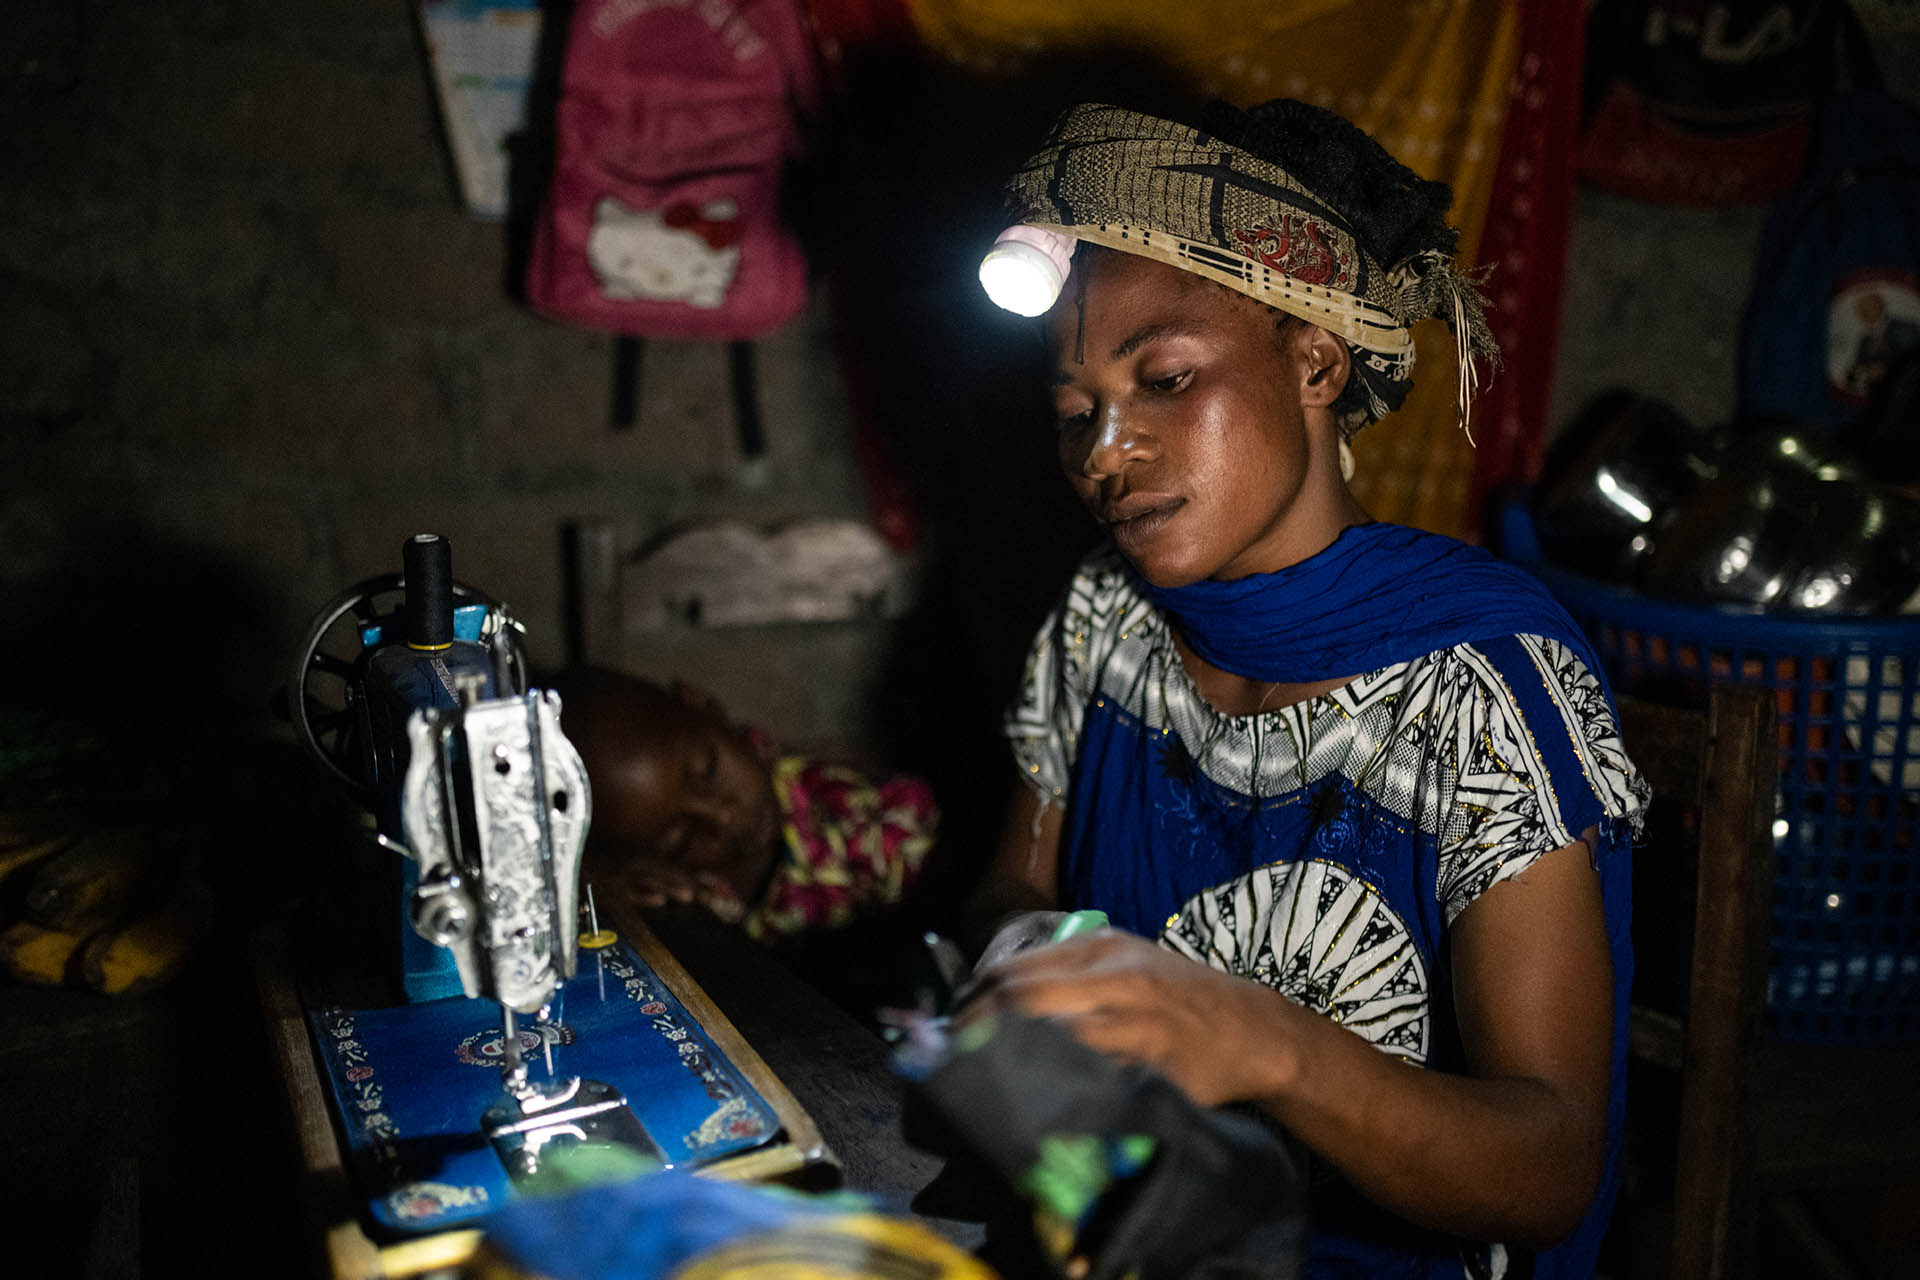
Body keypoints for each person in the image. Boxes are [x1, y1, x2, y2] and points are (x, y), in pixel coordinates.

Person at [959, 100, 1650, 1280]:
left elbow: (1550, 1163)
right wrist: (1039, 983)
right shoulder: (1108, 619)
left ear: (1316, 361)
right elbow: (1016, 879)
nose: (1103, 451)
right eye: (1074, 411)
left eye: (1165, 377)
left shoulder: (1470, 685)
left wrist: (1267, 1045)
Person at [550, 666, 938, 943]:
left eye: (709, 771)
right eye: (680, 838)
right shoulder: (684, 891)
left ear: (702, 704)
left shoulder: (857, 810)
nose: (722, 818)